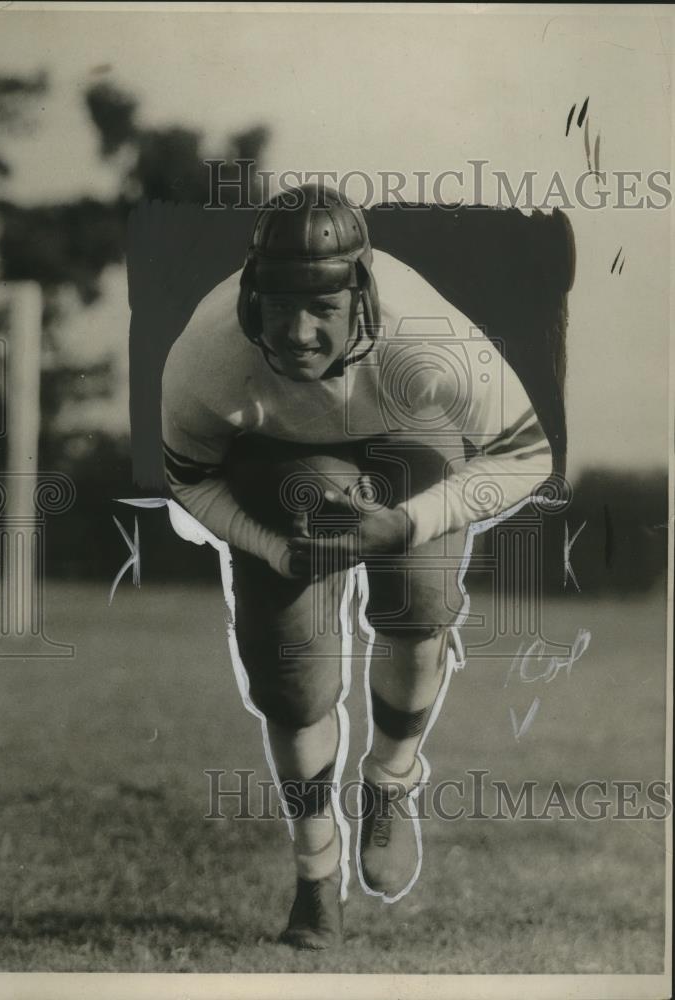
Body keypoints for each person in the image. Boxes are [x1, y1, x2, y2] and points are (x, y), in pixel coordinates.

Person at [161, 183, 552, 949]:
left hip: (408, 437)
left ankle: (390, 780)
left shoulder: (427, 338)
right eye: (277, 304)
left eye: (322, 308)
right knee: (292, 683)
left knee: (420, 602)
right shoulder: (208, 354)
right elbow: (188, 476)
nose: (297, 332)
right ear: (248, 296)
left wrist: (405, 524)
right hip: (279, 460)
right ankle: (315, 875)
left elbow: (527, 454)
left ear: (362, 297)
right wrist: (272, 547)